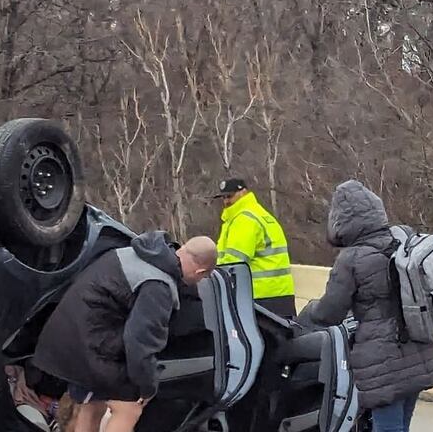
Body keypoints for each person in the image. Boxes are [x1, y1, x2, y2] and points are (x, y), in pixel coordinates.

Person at [298, 180, 433, 432]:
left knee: (387, 428)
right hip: (419, 347)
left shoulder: (351, 258)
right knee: (401, 426)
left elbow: (329, 313)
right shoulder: (403, 239)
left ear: (340, 221)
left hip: (383, 362)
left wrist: (310, 312)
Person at [32, 231, 217, 432]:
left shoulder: (132, 253)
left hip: (70, 338)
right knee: (130, 408)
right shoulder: (158, 286)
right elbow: (140, 343)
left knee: (92, 405)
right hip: (87, 347)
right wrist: (147, 387)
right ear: (200, 273)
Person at [214, 178, 296, 317]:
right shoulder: (259, 214)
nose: (226, 201)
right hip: (279, 295)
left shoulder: (244, 220)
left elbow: (233, 264)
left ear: (243, 192)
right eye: (223, 197)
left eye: (230, 196)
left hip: (259, 298)